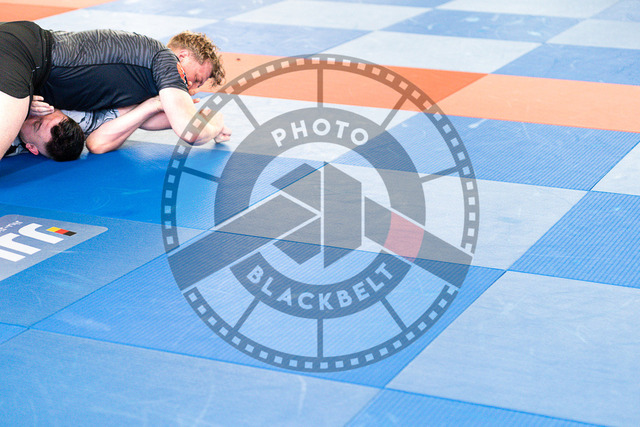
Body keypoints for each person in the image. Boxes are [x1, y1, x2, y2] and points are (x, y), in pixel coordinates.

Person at [1, 21, 230, 160]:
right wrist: (216, 122)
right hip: (24, 52)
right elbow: (191, 133)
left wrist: (201, 116)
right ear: (183, 56)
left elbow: (101, 142)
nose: (192, 89)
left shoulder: (139, 86)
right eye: (196, 79)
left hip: (25, 58)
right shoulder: (166, 60)